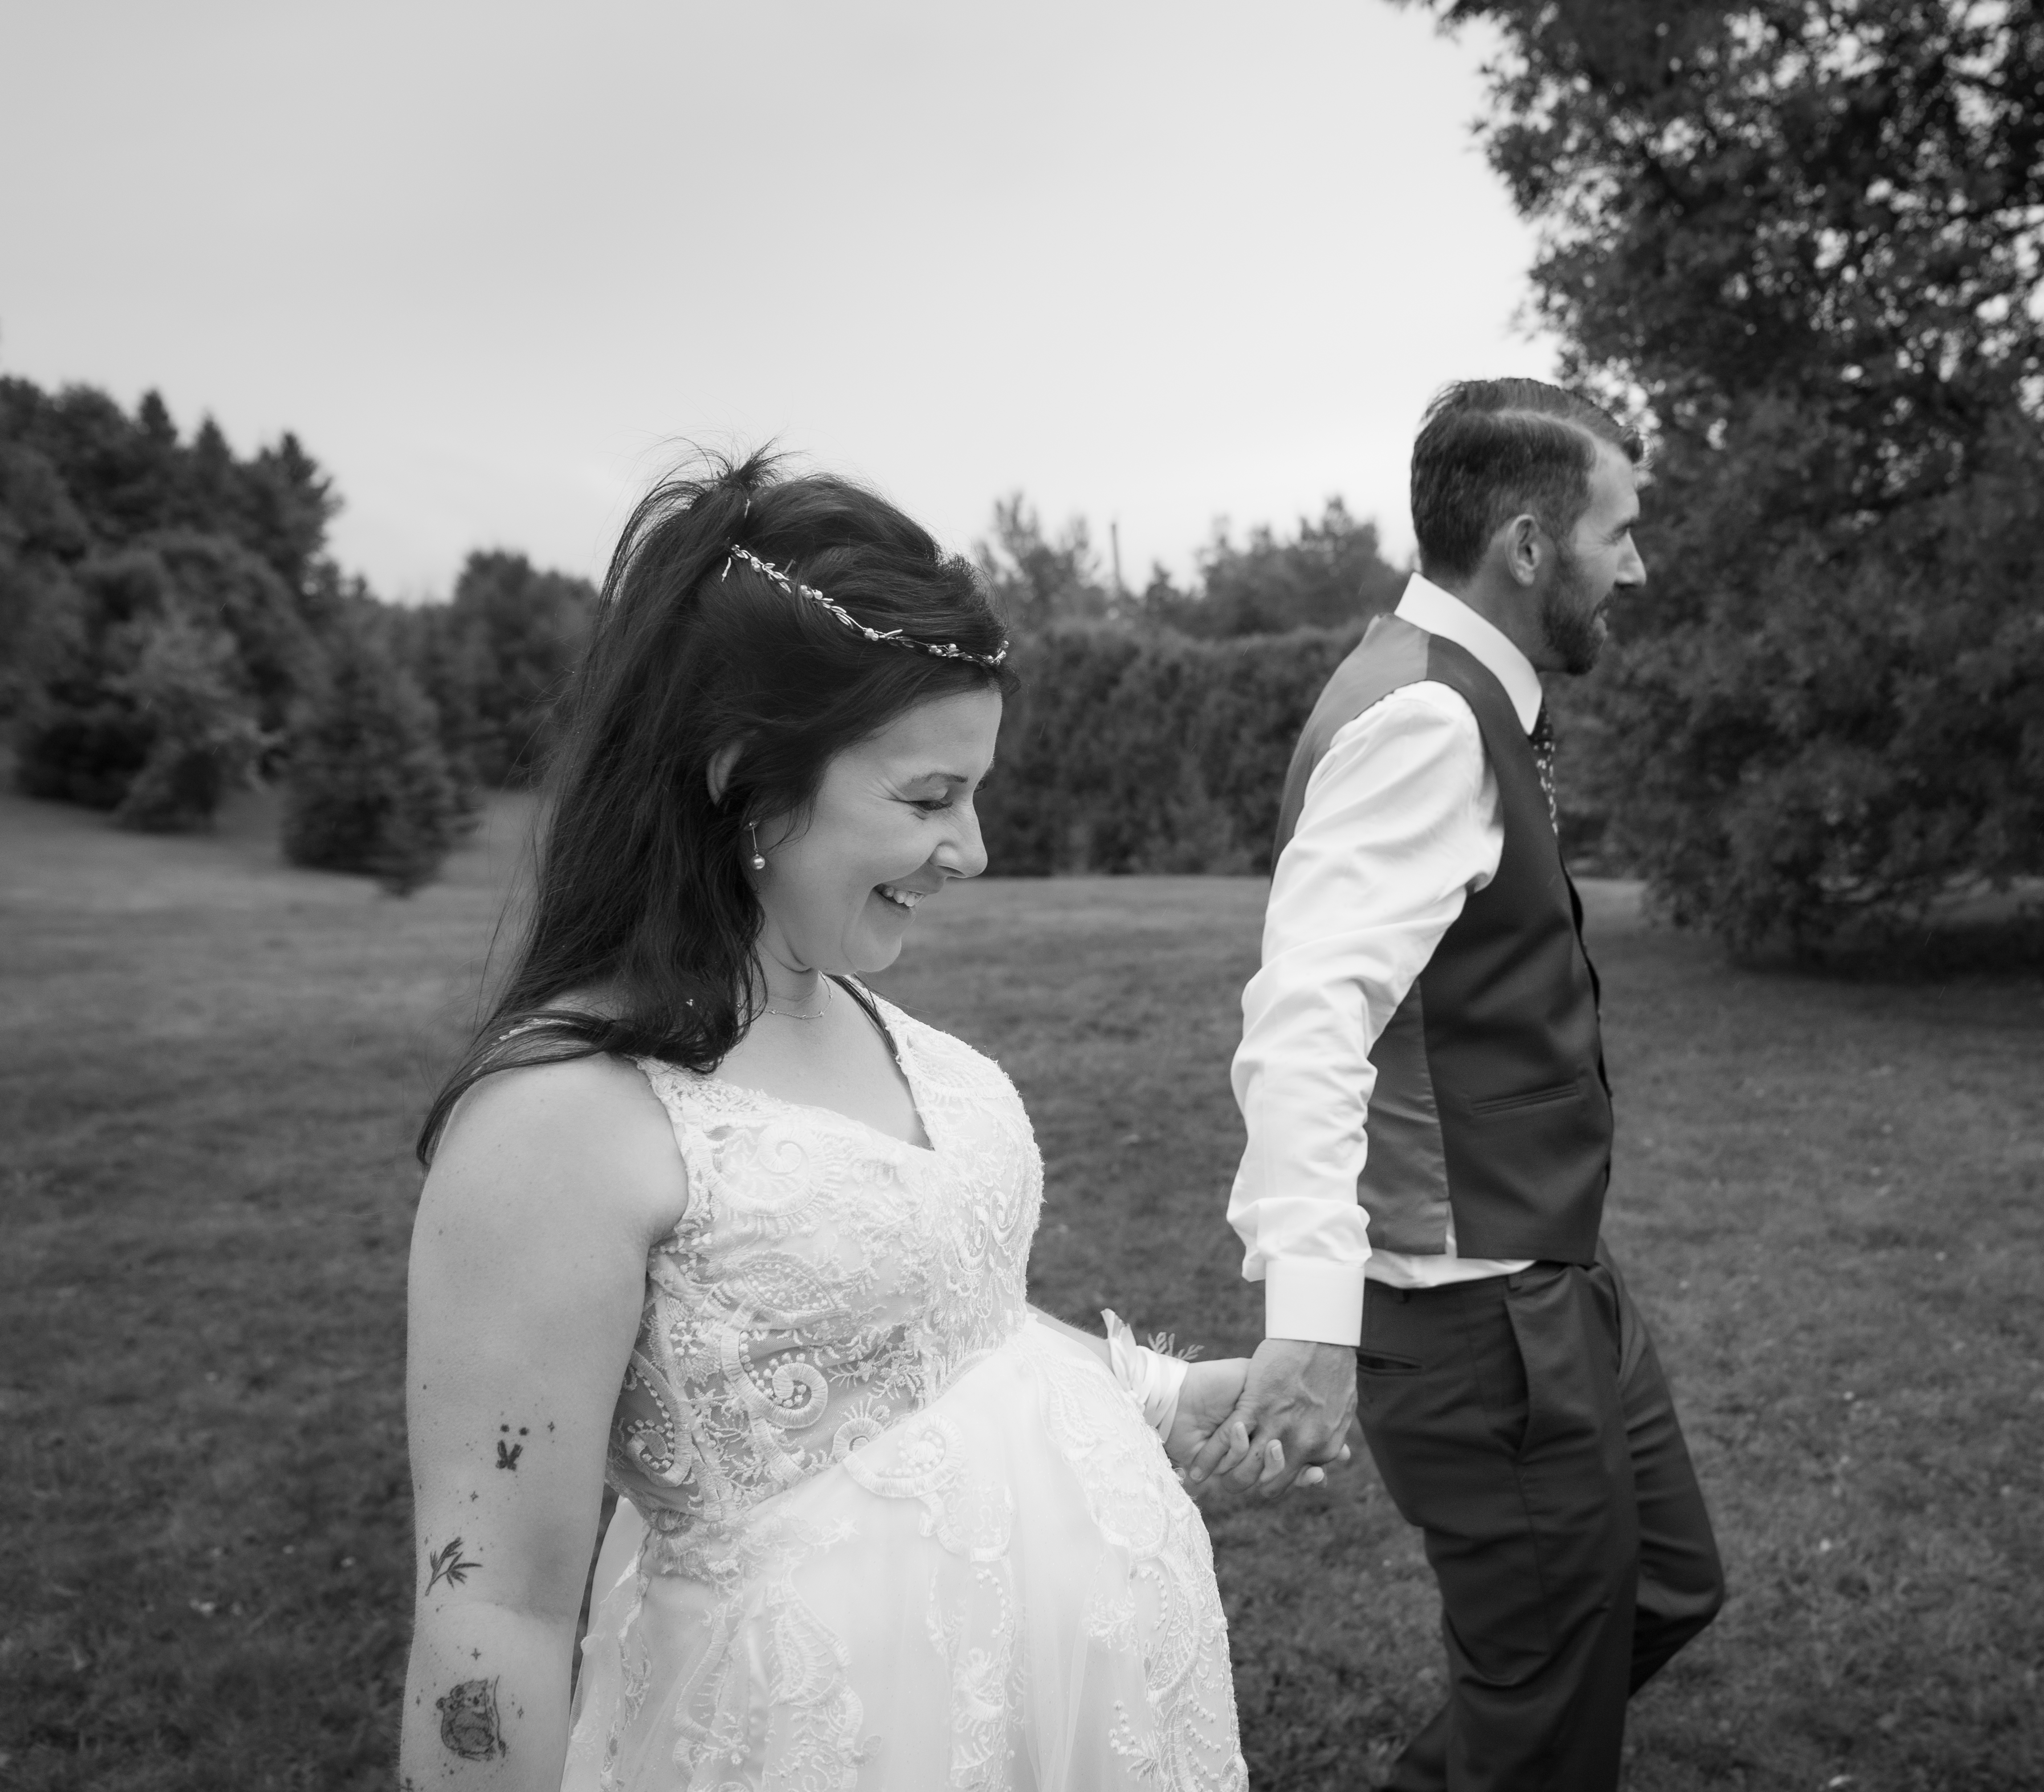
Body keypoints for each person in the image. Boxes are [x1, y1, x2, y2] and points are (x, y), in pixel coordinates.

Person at [400, 452, 1266, 1791]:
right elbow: (494, 1611)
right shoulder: (557, 1125)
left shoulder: (852, 1003)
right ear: (744, 777)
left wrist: (1158, 1391)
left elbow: (944, 1313)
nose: (972, 850)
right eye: (927, 800)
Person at [1195, 379, 1726, 1789]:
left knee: (1665, 1587)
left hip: (1550, 1273)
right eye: (1623, 532)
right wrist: (1309, 1315)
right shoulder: (1428, 719)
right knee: (1547, 1707)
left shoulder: (1461, 690)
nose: (1642, 566)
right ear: (1533, 543)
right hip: (1474, 1316)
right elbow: (1307, 1017)